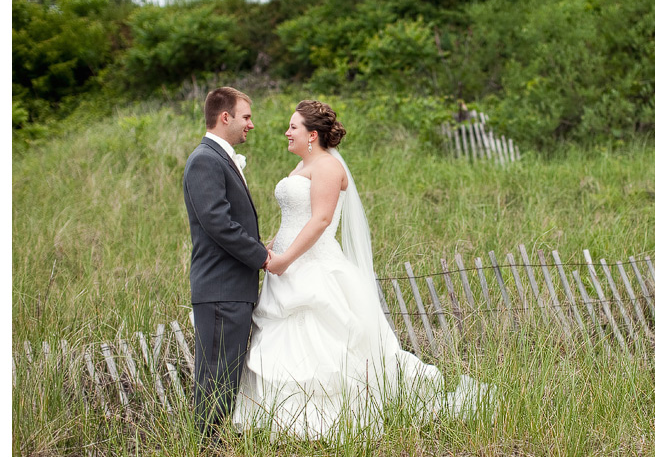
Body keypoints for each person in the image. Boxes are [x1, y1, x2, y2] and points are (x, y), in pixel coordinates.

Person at [233, 100, 489, 439]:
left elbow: (321, 220)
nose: (287, 132)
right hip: (286, 267)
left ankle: (325, 420)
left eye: (293, 127)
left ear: (312, 135)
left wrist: (285, 259)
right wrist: (272, 247)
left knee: (324, 343)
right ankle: (277, 418)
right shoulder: (301, 167)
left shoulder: (327, 167)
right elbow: (295, 219)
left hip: (311, 267)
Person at [183, 87, 271, 439]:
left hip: (231, 288)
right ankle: (206, 452)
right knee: (216, 376)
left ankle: (211, 448)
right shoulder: (205, 159)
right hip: (221, 287)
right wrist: (262, 256)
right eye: (246, 117)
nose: (251, 124)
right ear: (225, 117)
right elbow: (218, 223)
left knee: (225, 374)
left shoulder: (217, 157)